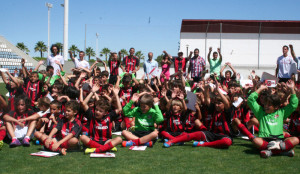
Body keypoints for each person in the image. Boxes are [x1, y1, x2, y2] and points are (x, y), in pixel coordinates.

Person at [247, 81, 299, 158]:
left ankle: (270, 151)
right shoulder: (260, 112)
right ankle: (282, 151)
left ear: (276, 107)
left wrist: (292, 89)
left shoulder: (281, 113)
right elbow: (250, 100)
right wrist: (260, 88)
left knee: (295, 139)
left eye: (269, 105)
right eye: (265, 104)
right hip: (265, 140)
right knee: (255, 140)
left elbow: (294, 105)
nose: (266, 106)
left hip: (279, 140)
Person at [81, 86, 123, 154]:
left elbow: (119, 109)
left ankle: (96, 150)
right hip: (94, 141)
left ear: (105, 113)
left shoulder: (109, 116)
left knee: (119, 139)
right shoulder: (92, 116)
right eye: (96, 110)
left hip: (106, 141)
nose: (97, 112)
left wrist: (116, 94)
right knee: (83, 137)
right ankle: (106, 148)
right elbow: (83, 104)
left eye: (100, 111)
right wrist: (92, 92)